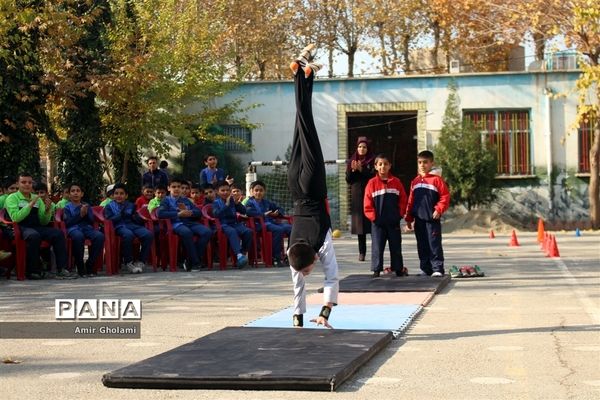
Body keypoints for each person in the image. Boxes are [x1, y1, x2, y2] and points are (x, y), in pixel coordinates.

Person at [287, 44, 339, 329]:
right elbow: (298, 287)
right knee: (299, 125)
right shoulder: (293, 252)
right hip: (294, 186)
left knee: (307, 125)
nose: (306, 274)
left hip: (310, 185)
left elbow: (332, 276)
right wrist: (298, 320)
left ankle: (299, 72)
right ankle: (306, 74)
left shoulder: (320, 244)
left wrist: (325, 313)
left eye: (306, 271)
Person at [4, 173, 70, 280]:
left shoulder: (36, 198)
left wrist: (47, 210)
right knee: (34, 236)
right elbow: (15, 218)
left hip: (36, 226)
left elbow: (43, 222)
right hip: (19, 228)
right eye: (23, 182)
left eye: (29, 182)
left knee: (58, 234)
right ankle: (32, 271)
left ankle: (62, 269)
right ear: (18, 184)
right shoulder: (12, 198)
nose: (27, 185)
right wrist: (29, 205)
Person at [405, 150, 450, 277]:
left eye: (425, 162)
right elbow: (410, 201)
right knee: (422, 245)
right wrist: (408, 218)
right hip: (419, 220)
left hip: (432, 220)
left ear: (431, 163)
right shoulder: (415, 181)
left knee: (434, 244)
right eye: (420, 162)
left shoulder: (437, 180)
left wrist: (439, 209)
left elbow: (445, 197)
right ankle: (425, 268)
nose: (422, 165)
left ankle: (437, 269)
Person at [363, 154, 408, 278]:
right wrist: (374, 218)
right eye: (380, 164)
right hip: (377, 223)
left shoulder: (396, 182)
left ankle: (398, 269)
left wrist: (400, 214)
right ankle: (376, 269)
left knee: (396, 246)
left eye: (385, 164)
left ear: (390, 166)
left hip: (393, 222)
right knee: (377, 246)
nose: (383, 167)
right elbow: (367, 204)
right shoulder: (371, 184)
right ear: (376, 167)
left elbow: (403, 200)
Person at [158, 177, 212, 271]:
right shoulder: (165, 200)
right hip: (176, 224)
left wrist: (189, 212)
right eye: (174, 187)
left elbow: (198, 212)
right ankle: (195, 263)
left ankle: (190, 261)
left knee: (207, 232)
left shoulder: (186, 200)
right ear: (168, 188)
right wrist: (178, 214)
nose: (176, 189)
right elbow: (160, 214)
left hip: (190, 222)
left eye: (179, 186)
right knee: (187, 233)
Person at [103, 183, 153, 273]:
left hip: (132, 225)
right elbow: (109, 220)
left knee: (148, 234)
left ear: (126, 196)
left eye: (121, 193)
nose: (119, 196)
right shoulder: (108, 206)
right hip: (119, 227)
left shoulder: (131, 205)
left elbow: (136, 218)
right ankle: (128, 262)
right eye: (116, 193)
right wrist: (120, 214)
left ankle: (141, 261)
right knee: (128, 234)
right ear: (113, 195)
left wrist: (138, 217)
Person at [245, 180, 292, 268]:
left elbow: (279, 208)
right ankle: (276, 257)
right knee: (279, 230)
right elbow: (249, 212)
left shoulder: (266, 202)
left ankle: (289, 256)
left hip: (271, 223)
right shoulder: (250, 202)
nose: (258, 192)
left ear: (264, 191)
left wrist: (278, 213)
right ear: (252, 191)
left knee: (291, 228)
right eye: (256, 190)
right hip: (259, 225)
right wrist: (263, 214)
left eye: (261, 190)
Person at [63, 183, 105, 277]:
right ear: (69, 194)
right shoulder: (67, 207)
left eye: (78, 191)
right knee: (78, 236)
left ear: (82, 194)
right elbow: (68, 222)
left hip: (86, 228)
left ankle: (90, 264)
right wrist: (80, 215)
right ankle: (80, 266)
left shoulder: (86, 206)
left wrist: (86, 214)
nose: (75, 193)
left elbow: (91, 221)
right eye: (73, 191)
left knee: (99, 236)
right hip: (73, 229)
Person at [345, 136, 375, 262]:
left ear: (368, 149)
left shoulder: (372, 160)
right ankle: (362, 252)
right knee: (360, 226)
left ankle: (376, 251)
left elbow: (373, 176)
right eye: (360, 147)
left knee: (373, 224)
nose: (362, 149)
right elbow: (348, 180)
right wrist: (352, 170)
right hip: (357, 195)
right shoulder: (352, 160)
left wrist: (361, 170)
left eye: (364, 147)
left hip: (370, 194)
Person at [211, 180, 251, 268]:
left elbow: (244, 211)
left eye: (227, 190)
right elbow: (216, 214)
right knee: (232, 232)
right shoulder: (215, 203)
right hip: (223, 225)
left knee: (248, 232)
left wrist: (237, 204)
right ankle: (239, 255)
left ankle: (242, 253)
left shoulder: (232, 201)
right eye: (223, 190)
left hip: (234, 224)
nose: (225, 192)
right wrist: (226, 205)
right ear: (217, 192)